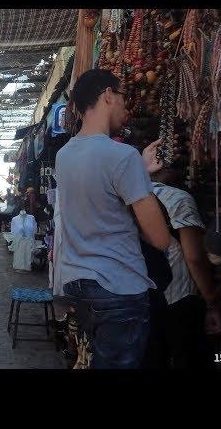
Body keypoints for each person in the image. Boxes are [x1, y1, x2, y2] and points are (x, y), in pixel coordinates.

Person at [55, 68, 170, 369]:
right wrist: (141, 177)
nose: (126, 106)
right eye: (122, 97)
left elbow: (99, 199)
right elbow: (159, 238)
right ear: (108, 95)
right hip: (118, 288)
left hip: (80, 285)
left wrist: (138, 174)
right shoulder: (123, 156)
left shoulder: (64, 155)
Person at [141, 141, 221, 368]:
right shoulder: (179, 199)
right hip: (180, 299)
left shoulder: (135, 197)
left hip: (146, 297)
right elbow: (194, 259)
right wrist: (212, 302)